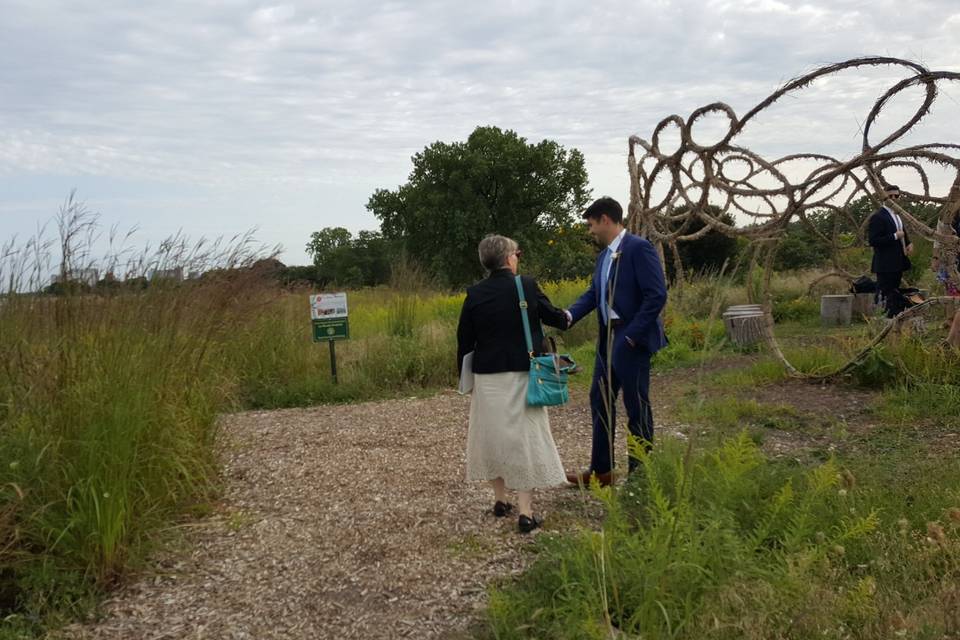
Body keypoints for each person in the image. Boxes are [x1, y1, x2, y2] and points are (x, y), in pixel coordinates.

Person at [456, 234, 569, 533]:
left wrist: (467, 381)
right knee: (524, 440)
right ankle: (526, 513)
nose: (517, 257)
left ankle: (499, 500)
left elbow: (464, 341)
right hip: (523, 374)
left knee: (492, 437)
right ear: (509, 258)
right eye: (516, 253)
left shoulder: (474, 294)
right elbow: (556, 318)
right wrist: (574, 313)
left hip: (487, 377)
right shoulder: (526, 286)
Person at [563, 197, 668, 487]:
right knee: (600, 401)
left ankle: (640, 476)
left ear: (605, 220)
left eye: (591, 224)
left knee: (636, 406)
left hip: (630, 338)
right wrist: (569, 314)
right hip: (606, 338)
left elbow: (656, 294)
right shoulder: (604, 257)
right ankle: (602, 471)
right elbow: (593, 293)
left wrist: (633, 336)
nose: (590, 231)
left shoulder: (638, 248)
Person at [868, 183, 914, 318]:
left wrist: (909, 243)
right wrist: (894, 236)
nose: (894, 198)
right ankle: (879, 318)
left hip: (898, 261)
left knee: (894, 292)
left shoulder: (897, 215)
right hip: (885, 263)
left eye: (896, 196)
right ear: (884, 197)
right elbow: (873, 241)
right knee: (883, 292)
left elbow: (902, 232)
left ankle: (893, 317)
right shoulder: (878, 216)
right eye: (890, 196)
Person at [931, 211, 960, 347]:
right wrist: (935, 258)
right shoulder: (947, 215)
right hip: (951, 257)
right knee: (951, 289)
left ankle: (949, 340)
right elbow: (937, 240)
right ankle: (950, 321)